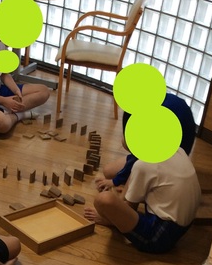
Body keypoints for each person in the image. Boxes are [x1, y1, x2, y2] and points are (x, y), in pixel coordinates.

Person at [84, 116, 201, 254]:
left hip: (160, 236)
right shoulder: (176, 149)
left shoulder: (143, 165)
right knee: (134, 179)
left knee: (103, 200)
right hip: (183, 224)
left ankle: (111, 222)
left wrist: (113, 212)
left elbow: (129, 208)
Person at [106, 93, 197, 188]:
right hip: (177, 154)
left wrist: (116, 182)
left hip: (170, 162)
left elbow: (141, 156)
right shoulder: (153, 103)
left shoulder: (156, 118)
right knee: (108, 171)